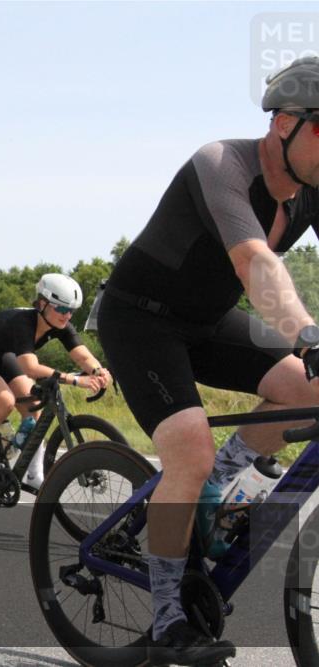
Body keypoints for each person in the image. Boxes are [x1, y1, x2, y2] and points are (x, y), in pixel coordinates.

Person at [97, 56, 319, 665]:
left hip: (207, 321)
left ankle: (218, 491)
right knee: (190, 449)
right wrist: (305, 329)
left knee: (309, 387)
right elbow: (257, 264)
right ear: (284, 125)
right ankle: (168, 618)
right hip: (140, 317)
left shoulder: (314, 190)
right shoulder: (221, 163)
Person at [0, 273, 113, 490]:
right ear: (43, 304)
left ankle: (33, 474)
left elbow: (82, 356)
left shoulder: (60, 324)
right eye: (62, 309)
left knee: (35, 407)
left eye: (71, 311)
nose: (67, 316)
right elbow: (30, 367)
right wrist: (74, 380)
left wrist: (99, 370)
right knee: (5, 402)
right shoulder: (23, 323)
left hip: (1, 353)